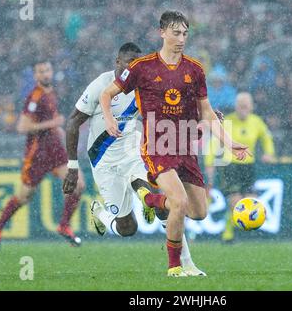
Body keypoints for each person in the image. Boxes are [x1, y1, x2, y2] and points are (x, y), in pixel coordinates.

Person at [99, 11, 250, 277]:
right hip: (157, 146)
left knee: (199, 212)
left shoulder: (195, 69)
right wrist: (109, 118)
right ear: (162, 32)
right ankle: (174, 267)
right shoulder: (142, 67)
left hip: (186, 147)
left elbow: (206, 112)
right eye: (176, 33)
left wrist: (229, 142)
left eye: (185, 33)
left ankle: (152, 199)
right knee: (178, 202)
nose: (181, 39)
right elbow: (107, 93)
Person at [62, 42, 206, 276]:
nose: (133, 66)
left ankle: (185, 263)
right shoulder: (102, 84)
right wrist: (72, 167)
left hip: (133, 152)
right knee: (127, 228)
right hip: (104, 162)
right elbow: (73, 122)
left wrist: (204, 115)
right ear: (117, 62)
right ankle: (101, 212)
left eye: (137, 62)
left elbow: (175, 106)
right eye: (128, 62)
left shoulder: (145, 84)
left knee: (164, 206)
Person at [0, 60, 85, 251]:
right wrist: (52, 124)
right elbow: (22, 127)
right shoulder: (35, 98)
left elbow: (51, 120)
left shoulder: (51, 93)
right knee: (25, 196)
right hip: (37, 155)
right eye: (41, 72)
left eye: (48, 70)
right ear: (35, 76)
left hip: (55, 150)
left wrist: (58, 130)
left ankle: (64, 225)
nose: (46, 74)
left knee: (78, 185)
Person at [204, 92, 275, 243]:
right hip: (230, 167)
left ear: (251, 107)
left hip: (248, 167)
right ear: (236, 106)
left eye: (246, 106)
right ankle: (228, 234)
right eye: (240, 106)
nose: (243, 108)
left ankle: (244, 230)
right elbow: (213, 143)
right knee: (235, 202)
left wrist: (269, 153)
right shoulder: (227, 121)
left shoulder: (256, 122)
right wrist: (209, 163)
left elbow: (267, 137)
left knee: (251, 201)